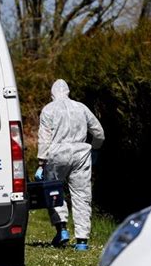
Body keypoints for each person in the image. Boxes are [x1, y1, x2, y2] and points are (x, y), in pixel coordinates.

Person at [35, 79, 105, 251]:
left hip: (57, 154)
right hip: (80, 154)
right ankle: (82, 241)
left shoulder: (48, 110)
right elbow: (99, 132)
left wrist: (41, 163)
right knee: (82, 196)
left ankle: (62, 229)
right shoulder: (81, 107)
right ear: (68, 91)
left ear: (52, 94)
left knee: (54, 192)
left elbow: (45, 138)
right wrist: (95, 149)